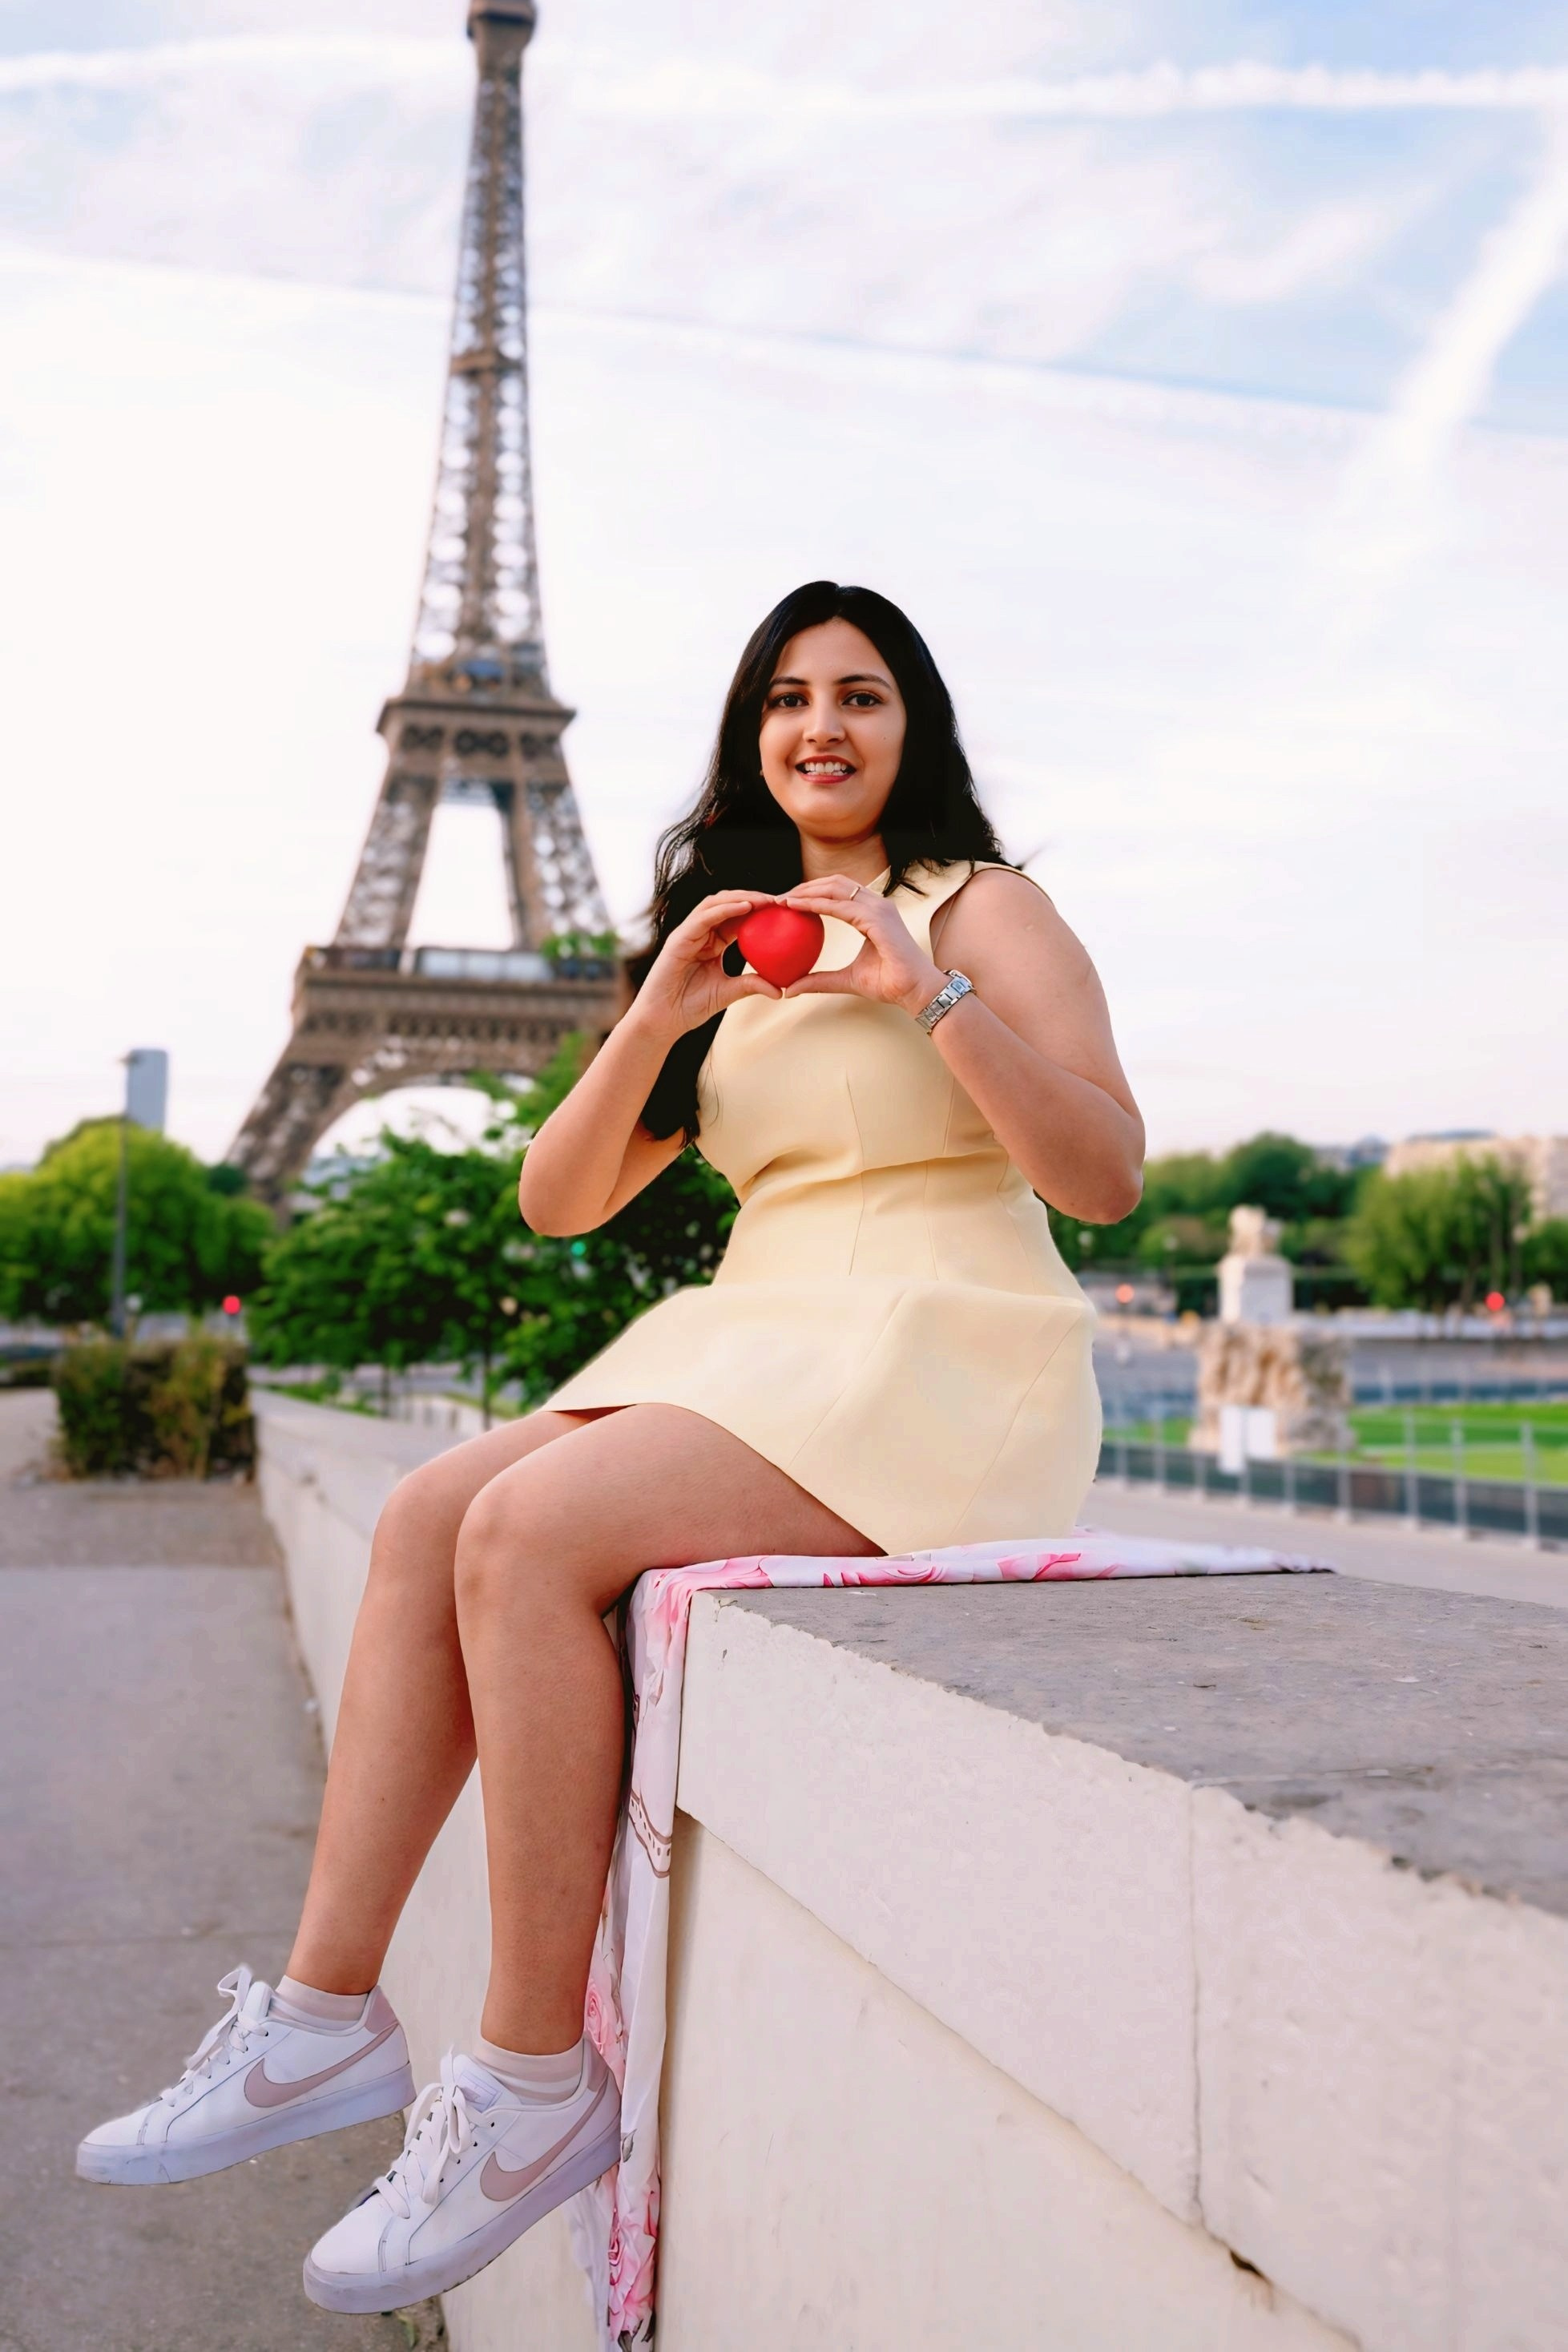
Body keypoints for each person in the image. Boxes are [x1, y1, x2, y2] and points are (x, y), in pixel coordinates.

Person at [76, 579, 1143, 2314]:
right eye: (788, 697)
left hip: (944, 1344)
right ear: (749, 737)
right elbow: (558, 1201)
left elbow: (1101, 1174)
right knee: (430, 1509)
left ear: (911, 727)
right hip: (763, 1327)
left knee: (524, 1535)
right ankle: (321, 2020)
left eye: (862, 695)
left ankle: (524, 2081)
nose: (823, 726)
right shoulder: (730, 949)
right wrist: (658, 1008)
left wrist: (927, 996)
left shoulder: (984, 907)